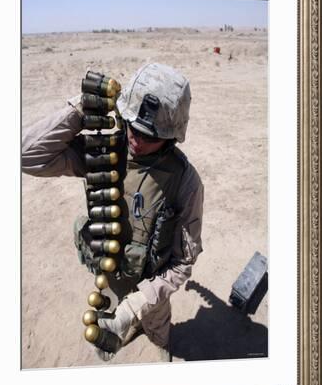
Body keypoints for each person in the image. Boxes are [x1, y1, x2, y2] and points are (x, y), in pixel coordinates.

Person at [22, 62, 204, 362]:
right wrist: (82, 108)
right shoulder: (105, 151)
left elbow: (183, 263)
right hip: (114, 274)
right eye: (132, 125)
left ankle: (160, 341)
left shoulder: (185, 181)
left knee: (157, 327)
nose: (136, 139)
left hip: (152, 286)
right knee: (116, 308)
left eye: (150, 135)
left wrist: (134, 308)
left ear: (171, 136)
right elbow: (29, 156)